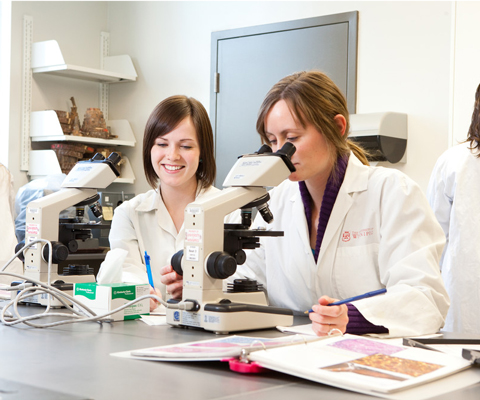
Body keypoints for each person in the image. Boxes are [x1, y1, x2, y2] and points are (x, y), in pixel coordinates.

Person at [162, 71, 449, 337]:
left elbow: (425, 298)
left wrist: (352, 317)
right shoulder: (275, 200)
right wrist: (198, 284)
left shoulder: (391, 192)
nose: (280, 153)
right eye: (273, 141)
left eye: (292, 138)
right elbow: (250, 277)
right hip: (289, 352)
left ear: (337, 128)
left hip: (369, 361)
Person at [108, 95, 238, 311]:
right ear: (150, 148)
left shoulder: (229, 209)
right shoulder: (129, 214)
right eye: (162, 143)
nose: (172, 155)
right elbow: (124, 271)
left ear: (202, 152)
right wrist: (141, 293)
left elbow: (247, 278)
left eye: (186, 146)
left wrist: (201, 287)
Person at [427, 83, 480, 334]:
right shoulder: (454, 162)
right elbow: (432, 239)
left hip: (463, 298)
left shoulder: (453, 160)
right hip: (462, 295)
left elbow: (432, 237)